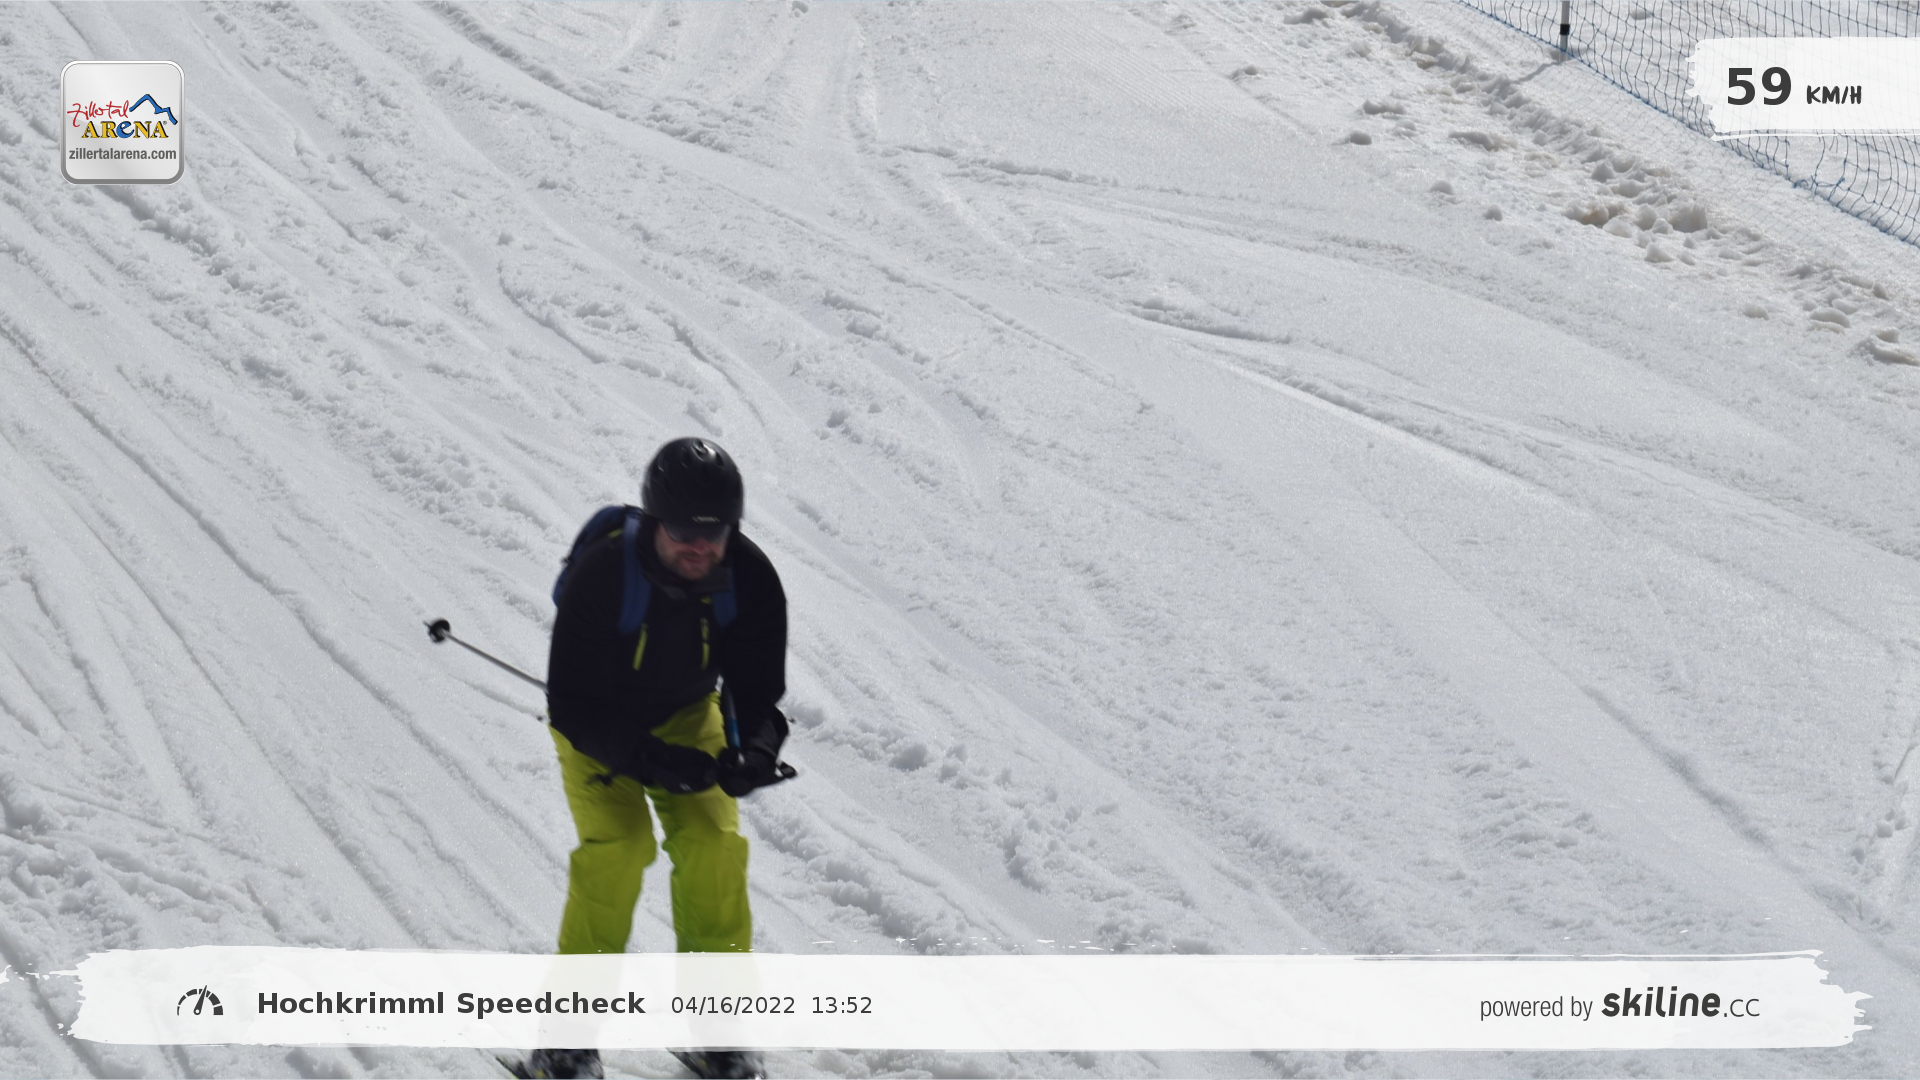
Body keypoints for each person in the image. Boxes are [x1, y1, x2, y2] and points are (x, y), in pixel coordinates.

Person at [526, 437, 791, 1080]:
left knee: (713, 844)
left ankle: (720, 1033)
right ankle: (565, 1042)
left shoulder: (749, 576)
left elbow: (757, 691)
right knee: (619, 848)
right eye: (682, 531)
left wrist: (755, 751)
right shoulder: (604, 575)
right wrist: (651, 761)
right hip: (600, 725)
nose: (699, 547)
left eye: (715, 532)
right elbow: (574, 708)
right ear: (654, 521)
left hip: (688, 714)